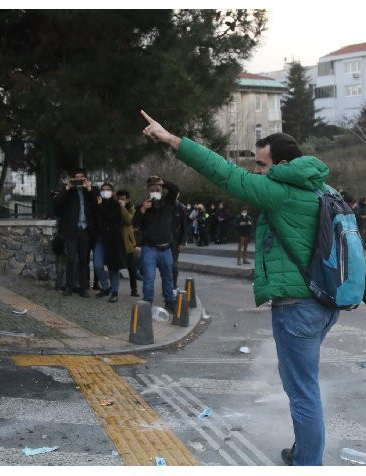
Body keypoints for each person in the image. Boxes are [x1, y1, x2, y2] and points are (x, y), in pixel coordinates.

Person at [142, 111, 342, 466]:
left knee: (302, 391)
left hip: (297, 306)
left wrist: (172, 139)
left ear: (281, 164)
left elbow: (224, 173)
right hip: (326, 303)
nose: (257, 171)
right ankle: (303, 450)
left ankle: (308, 463)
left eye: (262, 164)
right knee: (300, 383)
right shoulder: (325, 190)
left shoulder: (281, 193)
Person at [132, 175, 181, 312]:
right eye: (152, 188)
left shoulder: (168, 203)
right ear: (148, 191)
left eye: (158, 188)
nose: (155, 190)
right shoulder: (141, 207)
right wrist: (142, 210)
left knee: (168, 276)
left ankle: (169, 301)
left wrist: (164, 182)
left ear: (161, 190)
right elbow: (134, 225)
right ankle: (147, 302)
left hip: (166, 248)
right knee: (148, 277)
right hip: (149, 249)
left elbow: (175, 190)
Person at [53, 168, 97, 298]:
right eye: (76, 178)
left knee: (84, 260)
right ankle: (69, 286)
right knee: (71, 258)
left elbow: (97, 203)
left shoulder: (91, 190)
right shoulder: (68, 191)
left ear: (85, 178)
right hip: (71, 230)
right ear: (73, 179)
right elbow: (57, 203)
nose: (79, 180)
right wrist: (67, 187)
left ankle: (83, 288)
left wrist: (88, 188)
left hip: (85, 229)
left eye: (81, 177)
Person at [92, 182, 127, 302]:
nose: (105, 191)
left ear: (112, 192)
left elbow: (111, 217)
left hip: (113, 239)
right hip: (100, 238)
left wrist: (100, 206)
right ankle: (105, 287)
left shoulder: (116, 205)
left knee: (113, 267)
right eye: (103, 189)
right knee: (97, 264)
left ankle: (114, 291)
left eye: (108, 189)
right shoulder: (97, 204)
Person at [117, 189, 142, 298]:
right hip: (116, 240)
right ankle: (114, 290)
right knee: (115, 266)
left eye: (122, 199)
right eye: (118, 199)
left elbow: (128, 220)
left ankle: (134, 289)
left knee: (132, 267)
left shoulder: (131, 208)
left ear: (127, 199)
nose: (120, 201)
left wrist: (122, 208)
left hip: (128, 241)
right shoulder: (114, 207)